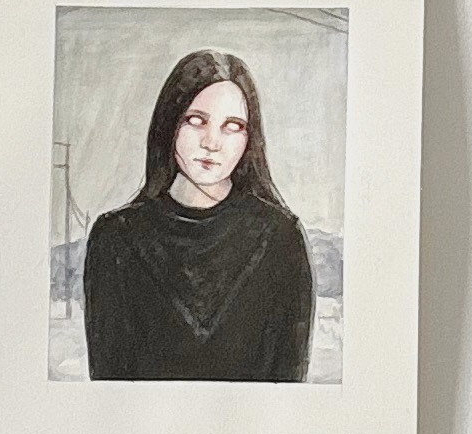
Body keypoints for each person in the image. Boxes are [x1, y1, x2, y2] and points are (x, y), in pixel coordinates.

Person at [81, 51, 316, 382]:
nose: (211, 142)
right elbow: (109, 382)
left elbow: (288, 386)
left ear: (250, 139)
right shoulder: (116, 237)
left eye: (233, 126)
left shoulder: (280, 237)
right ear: (170, 125)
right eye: (196, 120)